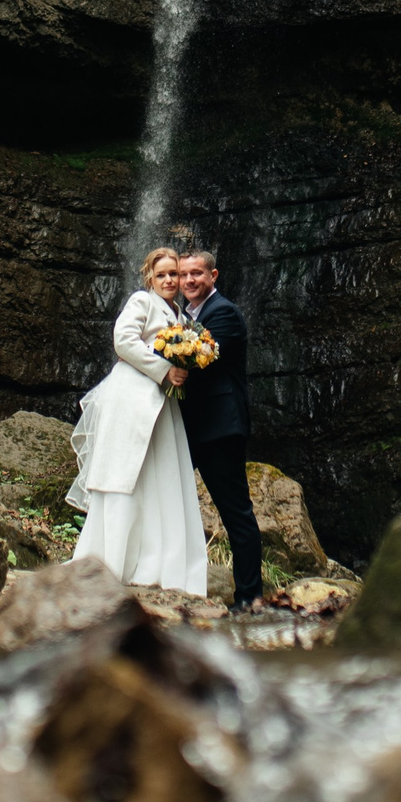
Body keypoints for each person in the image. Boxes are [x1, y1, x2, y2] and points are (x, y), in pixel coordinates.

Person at [67, 246, 208, 593]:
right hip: (132, 399)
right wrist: (165, 370)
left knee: (160, 480)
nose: (170, 280)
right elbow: (123, 341)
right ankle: (110, 562)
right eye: (161, 275)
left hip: (162, 406)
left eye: (174, 274)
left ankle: (155, 563)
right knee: (124, 478)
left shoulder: (181, 315)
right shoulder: (141, 302)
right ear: (149, 278)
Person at [176, 248, 262, 607]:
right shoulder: (183, 313)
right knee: (170, 503)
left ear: (214, 276)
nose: (189, 281)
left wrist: (148, 354)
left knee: (235, 513)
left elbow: (199, 357)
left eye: (197, 273)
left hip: (219, 428)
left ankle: (249, 597)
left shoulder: (223, 312)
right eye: (183, 275)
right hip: (189, 427)